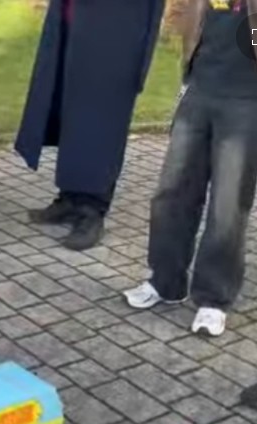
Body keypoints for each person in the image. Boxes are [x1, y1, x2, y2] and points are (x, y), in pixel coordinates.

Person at [124, 0, 257, 337]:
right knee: (172, 192)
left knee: (227, 204)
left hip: (249, 98)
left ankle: (213, 298)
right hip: (200, 87)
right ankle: (165, 281)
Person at [15, 0, 165, 252]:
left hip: (115, 32)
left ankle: (92, 209)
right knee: (70, 114)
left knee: (102, 120)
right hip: (73, 21)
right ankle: (71, 197)